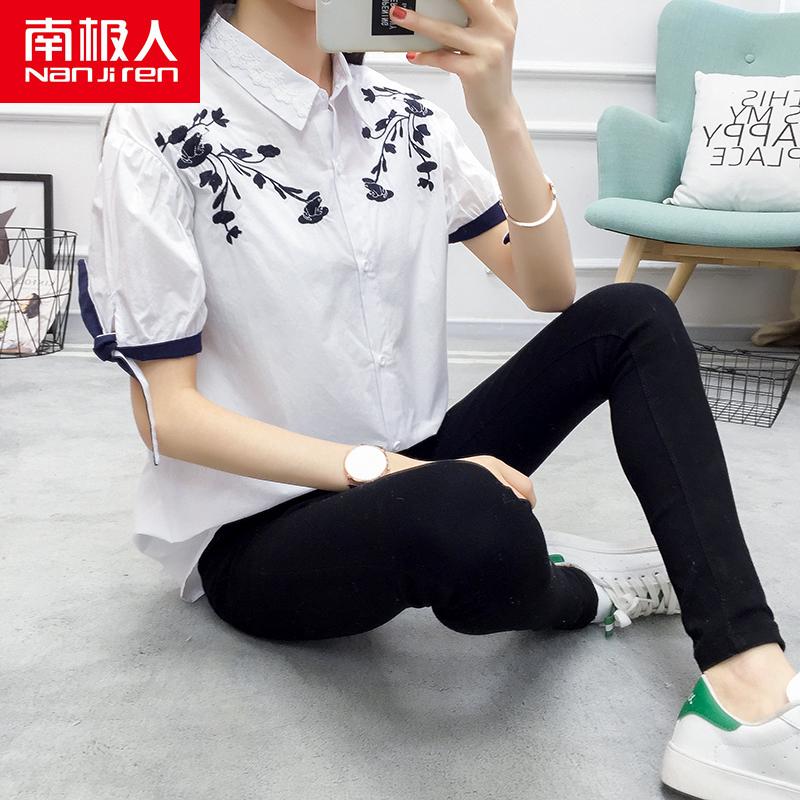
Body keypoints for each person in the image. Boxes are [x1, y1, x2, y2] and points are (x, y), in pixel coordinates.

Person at [77, 0, 799, 797]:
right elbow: (168, 417)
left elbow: (548, 287)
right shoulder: (156, 121)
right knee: (466, 514)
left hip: (416, 462)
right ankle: (583, 592)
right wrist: (402, 475)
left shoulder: (402, 114)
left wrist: (498, 110)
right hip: (261, 532)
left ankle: (747, 682)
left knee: (635, 316)